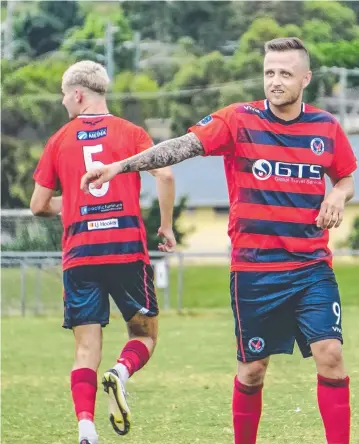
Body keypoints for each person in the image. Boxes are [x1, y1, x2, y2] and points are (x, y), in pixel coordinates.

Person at [80, 37, 356, 444]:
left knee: (330, 355)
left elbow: (346, 177)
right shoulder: (237, 120)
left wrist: (337, 192)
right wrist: (120, 166)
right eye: (268, 73)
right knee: (253, 369)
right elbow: (181, 148)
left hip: (311, 266)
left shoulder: (326, 128)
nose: (275, 81)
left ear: (306, 78)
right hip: (255, 272)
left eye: (284, 73)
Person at [30, 60, 176, 444]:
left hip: (81, 254)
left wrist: (74, 201)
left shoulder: (59, 139)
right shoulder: (132, 133)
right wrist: (165, 226)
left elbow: (38, 204)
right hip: (126, 248)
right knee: (145, 335)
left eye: (65, 96)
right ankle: (122, 372)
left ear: (78, 94)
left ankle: (86, 430)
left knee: (85, 349)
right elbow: (166, 173)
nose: (64, 103)